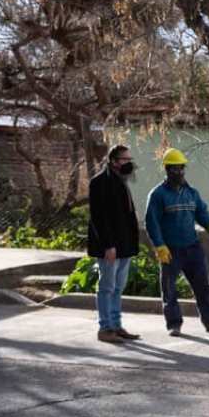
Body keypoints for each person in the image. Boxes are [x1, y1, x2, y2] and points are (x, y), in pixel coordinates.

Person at [145, 148, 209, 336]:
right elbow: (151, 223)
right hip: (170, 250)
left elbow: (200, 211)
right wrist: (159, 245)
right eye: (175, 169)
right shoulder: (158, 195)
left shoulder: (191, 193)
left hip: (192, 248)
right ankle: (174, 324)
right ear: (167, 170)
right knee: (169, 290)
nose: (179, 173)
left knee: (203, 288)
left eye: (181, 169)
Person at [88, 144, 141, 344]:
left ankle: (116, 326)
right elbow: (98, 218)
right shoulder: (100, 182)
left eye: (129, 159)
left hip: (124, 245)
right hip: (110, 247)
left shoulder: (121, 181)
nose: (129, 163)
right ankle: (105, 328)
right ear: (113, 161)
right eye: (124, 159)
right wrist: (108, 245)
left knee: (118, 288)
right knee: (107, 287)